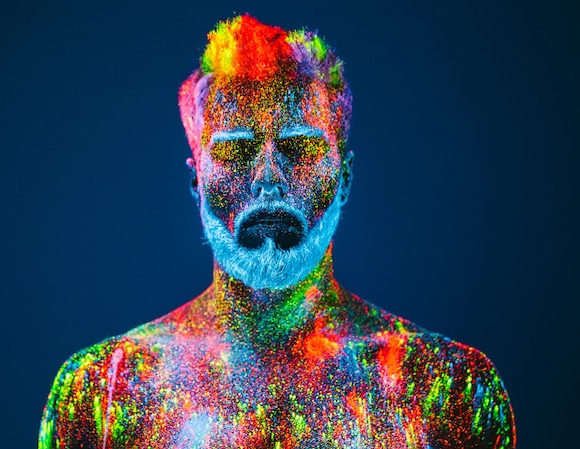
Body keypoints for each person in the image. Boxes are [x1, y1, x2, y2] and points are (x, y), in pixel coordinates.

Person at [39, 15, 516, 448]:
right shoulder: (103, 390)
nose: (268, 176)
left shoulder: (449, 389)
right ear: (196, 180)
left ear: (344, 181)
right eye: (235, 150)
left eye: (300, 147)